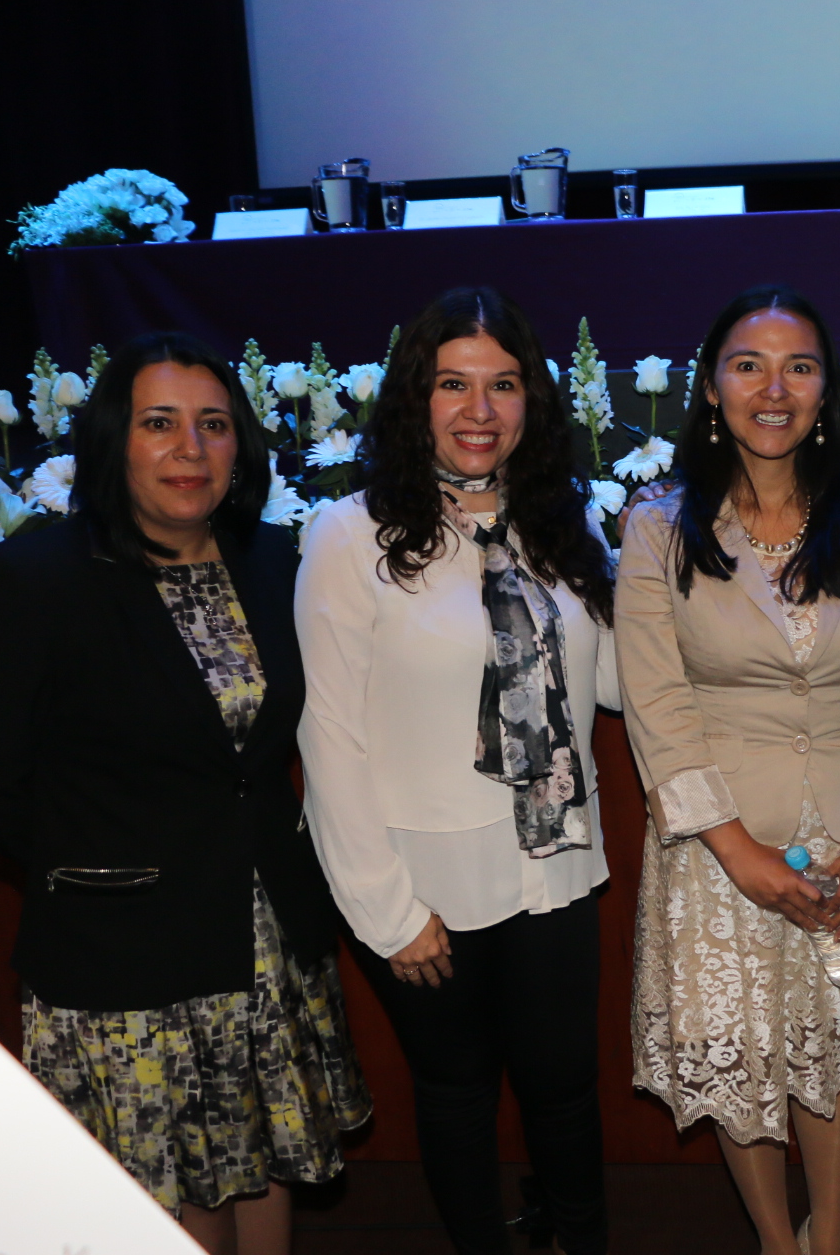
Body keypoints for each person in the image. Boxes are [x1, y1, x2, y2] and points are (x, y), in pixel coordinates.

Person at [0, 333, 370, 1253]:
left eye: (213, 425)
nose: (191, 448)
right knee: (170, 1198)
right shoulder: (32, 580)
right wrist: (104, 868)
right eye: (160, 423)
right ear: (114, 441)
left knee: (259, 1159)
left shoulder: (269, 562)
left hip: (263, 938)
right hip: (125, 953)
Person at [295, 288, 618, 1255]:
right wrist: (388, 911)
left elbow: (616, 687)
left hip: (556, 866)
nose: (481, 411)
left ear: (534, 402)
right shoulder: (350, 535)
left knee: (566, 1088)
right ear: (414, 399)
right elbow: (329, 736)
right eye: (454, 385)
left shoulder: (566, 523)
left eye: (504, 386)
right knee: (457, 1092)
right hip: (424, 887)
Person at [617, 285, 840, 1255]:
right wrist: (736, 849)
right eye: (748, 364)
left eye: (800, 365)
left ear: (828, 390)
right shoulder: (659, 527)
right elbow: (657, 709)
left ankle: (828, 1233)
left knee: (830, 1045)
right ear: (713, 387)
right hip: (718, 853)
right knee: (743, 1053)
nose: (774, 387)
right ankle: (774, 1239)